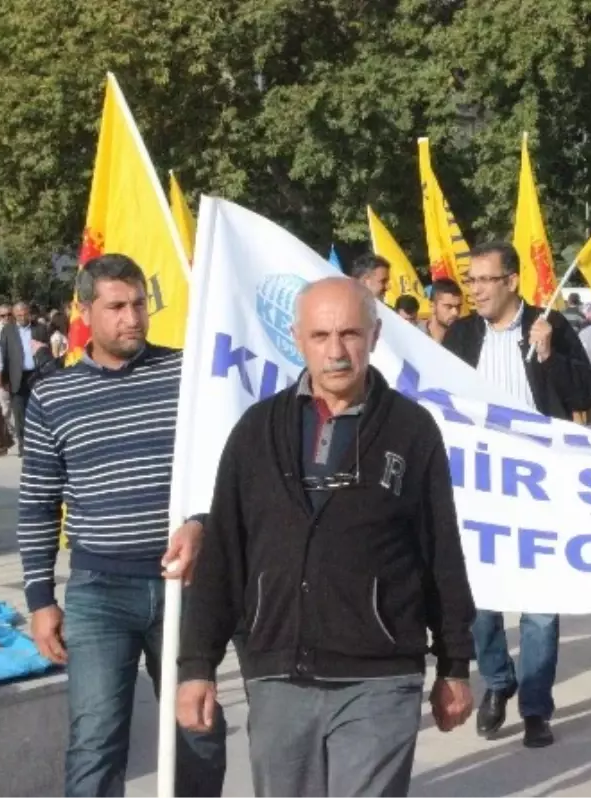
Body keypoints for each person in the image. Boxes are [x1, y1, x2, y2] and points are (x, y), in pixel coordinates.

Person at [177, 277, 475, 797]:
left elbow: (441, 553)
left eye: (350, 335)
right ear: (296, 338)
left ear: (375, 335)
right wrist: (197, 665)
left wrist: (455, 664)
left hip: (379, 677)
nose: (336, 352)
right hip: (278, 675)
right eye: (320, 336)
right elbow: (224, 552)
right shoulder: (256, 430)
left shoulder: (412, 429)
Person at [17, 254, 227, 797]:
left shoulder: (188, 374)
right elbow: (38, 503)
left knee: (199, 729)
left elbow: (224, 471)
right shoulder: (52, 396)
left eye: (139, 304)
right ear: (86, 311)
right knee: (95, 741)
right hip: (99, 593)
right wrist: (40, 599)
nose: (132, 317)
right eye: (116, 307)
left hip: (186, 586)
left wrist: (202, 522)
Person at [443, 242, 591, 748]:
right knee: (480, 603)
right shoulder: (462, 335)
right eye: (470, 281)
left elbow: (583, 395)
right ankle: (498, 682)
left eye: (484, 280)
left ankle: (535, 707)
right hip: (479, 489)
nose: (475, 290)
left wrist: (550, 356)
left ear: (511, 281)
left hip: (538, 490)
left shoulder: (548, 325)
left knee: (538, 606)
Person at [0, 301, 40, 455]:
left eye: (24, 313)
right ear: (14, 315)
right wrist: (3, 378)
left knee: (36, 412)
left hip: (36, 376)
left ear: (29, 313)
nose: (22, 317)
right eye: (18, 314)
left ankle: (36, 443)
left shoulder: (39, 328)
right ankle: (23, 446)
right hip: (17, 377)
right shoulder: (7, 330)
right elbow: (3, 356)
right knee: (19, 414)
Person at [423, 278, 463, 344]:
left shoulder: (466, 339)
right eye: (449, 306)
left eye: (458, 306)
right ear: (432, 307)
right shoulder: (416, 336)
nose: (455, 313)